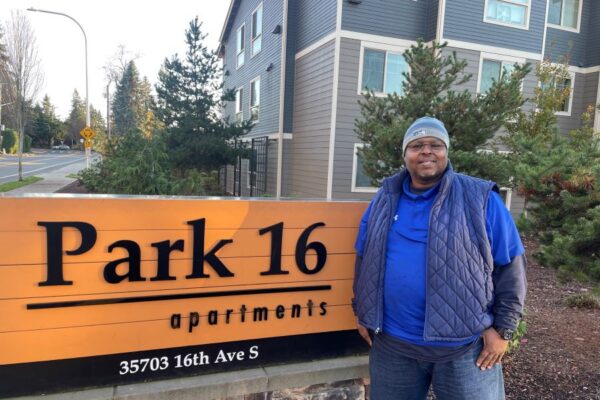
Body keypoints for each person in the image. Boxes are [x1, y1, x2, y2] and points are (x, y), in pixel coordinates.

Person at [352, 116, 527, 400]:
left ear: (446, 151)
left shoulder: (480, 197)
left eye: (435, 144)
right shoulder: (385, 198)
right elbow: (365, 255)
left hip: (465, 348)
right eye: (416, 145)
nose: (426, 151)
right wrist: (362, 310)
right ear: (405, 155)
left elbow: (511, 266)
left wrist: (504, 329)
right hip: (393, 347)